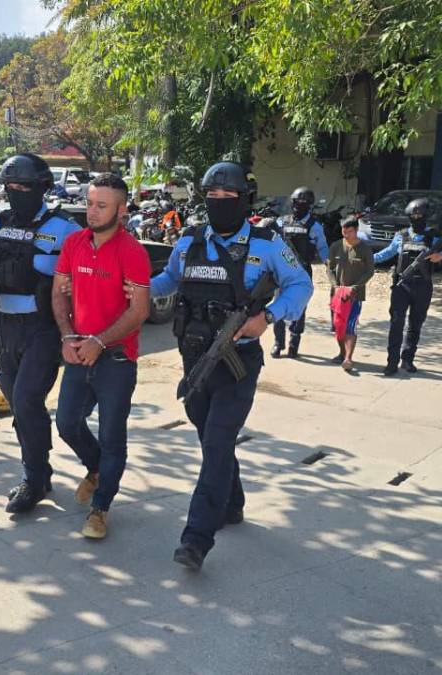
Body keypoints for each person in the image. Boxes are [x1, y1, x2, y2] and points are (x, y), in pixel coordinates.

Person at [150, 161, 313, 571]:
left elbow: (300, 284)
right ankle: (233, 502)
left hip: (238, 362)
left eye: (229, 196)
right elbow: (167, 281)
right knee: (212, 440)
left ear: (245, 199)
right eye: (213, 196)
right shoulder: (189, 241)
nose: (219, 202)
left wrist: (268, 317)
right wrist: (131, 290)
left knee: (217, 443)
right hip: (194, 361)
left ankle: (196, 538)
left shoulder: (267, 243)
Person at [0, 153, 82, 513]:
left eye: (24, 187)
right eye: (10, 187)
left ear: (42, 188)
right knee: (20, 405)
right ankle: (40, 471)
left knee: (26, 399)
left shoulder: (65, 228)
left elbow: (87, 269)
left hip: (42, 329)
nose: (16, 192)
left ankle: (33, 479)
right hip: (3, 328)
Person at [51, 174, 152, 540]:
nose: (92, 212)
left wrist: (100, 341)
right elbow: (58, 293)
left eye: (102, 206)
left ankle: (101, 508)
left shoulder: (133, 252)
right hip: (79, 351)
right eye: (90, 203)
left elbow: (139, 310)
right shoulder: (74, 243)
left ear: (122, 210)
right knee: (67, 423)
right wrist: (68, 336)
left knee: (112, 436)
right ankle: (96, 469)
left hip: (117, 359)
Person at [372, 198, 442, 376]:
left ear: (426, 216)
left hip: (423, 285)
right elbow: (387, 253)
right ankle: (392, 362)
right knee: (396, 323)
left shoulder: (434, 236)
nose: (416, 218)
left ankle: (407, 360)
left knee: (415, 324)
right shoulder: (401, 235)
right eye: (413, 216)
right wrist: (367, 259)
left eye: (419, 215)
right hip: (401, 286)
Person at [270, 187, 329, 358]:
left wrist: (330, 267)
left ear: (309, 205)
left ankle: (293, 344)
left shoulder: (315, 226)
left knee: (299, 308)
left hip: (302, 272)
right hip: (281, 271)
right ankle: (278, 342)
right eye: (296, 202)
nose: (298, 206)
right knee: (278, 305)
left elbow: (323, 249)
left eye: (303, 203)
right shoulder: (282, 222)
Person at [325, 218, 374, 371]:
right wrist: (335, 285)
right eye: (344, 231)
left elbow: (370, 271)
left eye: (350, 231)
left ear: (356, 230)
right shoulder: (336, 246)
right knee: (338, 325)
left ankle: (348, 358)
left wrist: (355, 287)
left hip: (355, 295)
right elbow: (329, 268)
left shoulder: (364, 249)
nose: (346, 235)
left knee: (350, 326)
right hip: (337, 294)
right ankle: (341, 353)